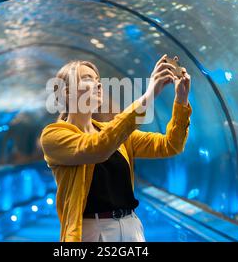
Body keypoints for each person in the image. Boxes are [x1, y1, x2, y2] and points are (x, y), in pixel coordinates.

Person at [40, 54, 192, 242]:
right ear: (66, 93)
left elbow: (170, 145)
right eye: (88, 79)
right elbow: (98, 148)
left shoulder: (114, 133)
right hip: (91, 232)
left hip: (131, 227)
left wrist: (181, 100)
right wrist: (149, 95)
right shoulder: (54, 136)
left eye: (98, 80)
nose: (98, 84)